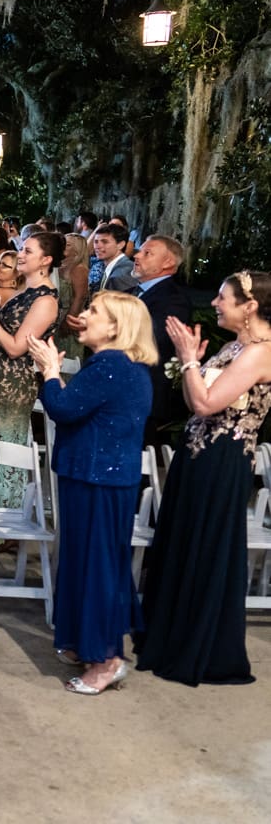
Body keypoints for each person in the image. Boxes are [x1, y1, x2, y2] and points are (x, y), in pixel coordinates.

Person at [137, 270, 271, 687]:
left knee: (205, 546)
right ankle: (168, 632)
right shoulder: (238, 345)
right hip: (197, 457)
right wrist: (191, 361)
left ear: (250, 307)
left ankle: (195, 644)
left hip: (222, 460)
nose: (214, 304)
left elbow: (205, 403)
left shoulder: (261, 352)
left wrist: (189, 357)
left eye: (223, 299)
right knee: (182, 541)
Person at [27, 291, 154, 694]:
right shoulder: (120, 366)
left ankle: (106, 659)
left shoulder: (111, 365)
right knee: (93, 563)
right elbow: (82, 410)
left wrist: (49, 370)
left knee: (97, 567)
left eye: (94, 312)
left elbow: (63, 408)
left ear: (116, 327)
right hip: (101, 477)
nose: (83, 316)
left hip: (98, 478)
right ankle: (88, 643)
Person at [0, 232, 60, 508]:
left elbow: (15, 347)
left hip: (13, 382)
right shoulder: (24, 291)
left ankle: (1, 522)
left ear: (46, 260)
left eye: (28, 251)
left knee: (4, 447)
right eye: (22, 249)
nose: (20, 255)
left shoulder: (45, 301)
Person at [127, 235, 193, 446]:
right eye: (139, 251)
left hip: (142, 395)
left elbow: (152, 341)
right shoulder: (132, 293)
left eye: (147, 253)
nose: (137, 255)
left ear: (168, 263)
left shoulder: (174, 300)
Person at [56, 232, 90, 360]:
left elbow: (79, 297)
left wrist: (69, 322)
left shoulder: (79, 269)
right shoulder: (60, 265)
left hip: (68, 316)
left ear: (77, 250)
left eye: (68, 244)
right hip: (56, 316)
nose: (63, 246)